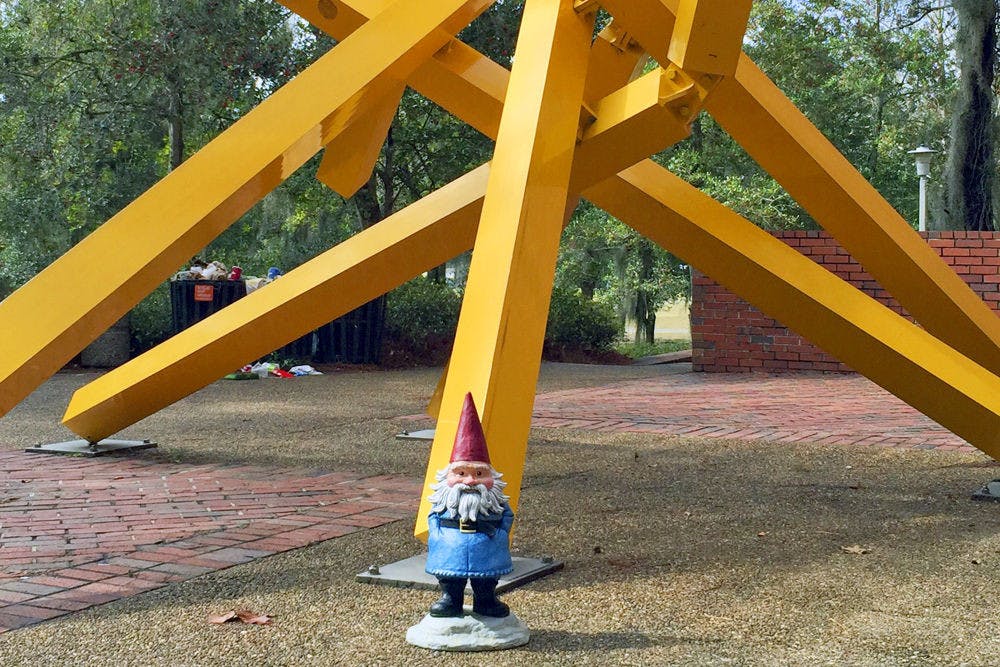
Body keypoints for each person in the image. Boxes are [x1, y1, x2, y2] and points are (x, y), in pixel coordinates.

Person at [424, 392, 514, 618]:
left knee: (486, 577)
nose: (471, 481)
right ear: (448, 475)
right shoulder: (446, 499)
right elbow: (433, 515)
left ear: (491, 476)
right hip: (449, 546)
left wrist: (501, 533)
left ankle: (485, 600)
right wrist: (437, 535)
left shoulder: (493, 501)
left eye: (480, 474)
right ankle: (450, 599)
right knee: (450, 576)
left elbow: (507, 515)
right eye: (461, 473)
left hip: (487, 544)